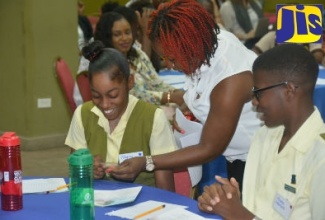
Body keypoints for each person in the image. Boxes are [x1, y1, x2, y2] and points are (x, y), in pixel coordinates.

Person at [111, 0, 261, 192]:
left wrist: (147, 162)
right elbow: (198, 94)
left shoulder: (230, 80)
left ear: (192, 44)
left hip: (255, 162)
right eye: (165, 58)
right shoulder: (207, 44)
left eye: (172, 58)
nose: (171, 66)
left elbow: (209, 148)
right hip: (238, 156)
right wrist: (173, 107)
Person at [198, 43, 325, 219]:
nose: (254, 102)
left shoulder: (320, 157)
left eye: (258, 93)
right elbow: (261, 207)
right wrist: (229, 200)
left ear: (289, 91)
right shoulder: (264, 135)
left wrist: (239, 214)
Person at [65, 40, 176, 191]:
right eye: (96, 96)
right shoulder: (83, 115)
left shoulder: (153, 118)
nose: (104, 104)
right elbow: (75, 176)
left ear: (130, 82)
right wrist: (86, 170)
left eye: (113, 95)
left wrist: (144, 163)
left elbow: (166, 191)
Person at [75, 11, 184, 107]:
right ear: (107, 37)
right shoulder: (104, 63)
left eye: (127, 32)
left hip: (150, 107)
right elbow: (131, 96)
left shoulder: (136, 54)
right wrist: (170, 97)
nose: (125, 38)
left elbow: (156, 82)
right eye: (117, 34)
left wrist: (176, 92)